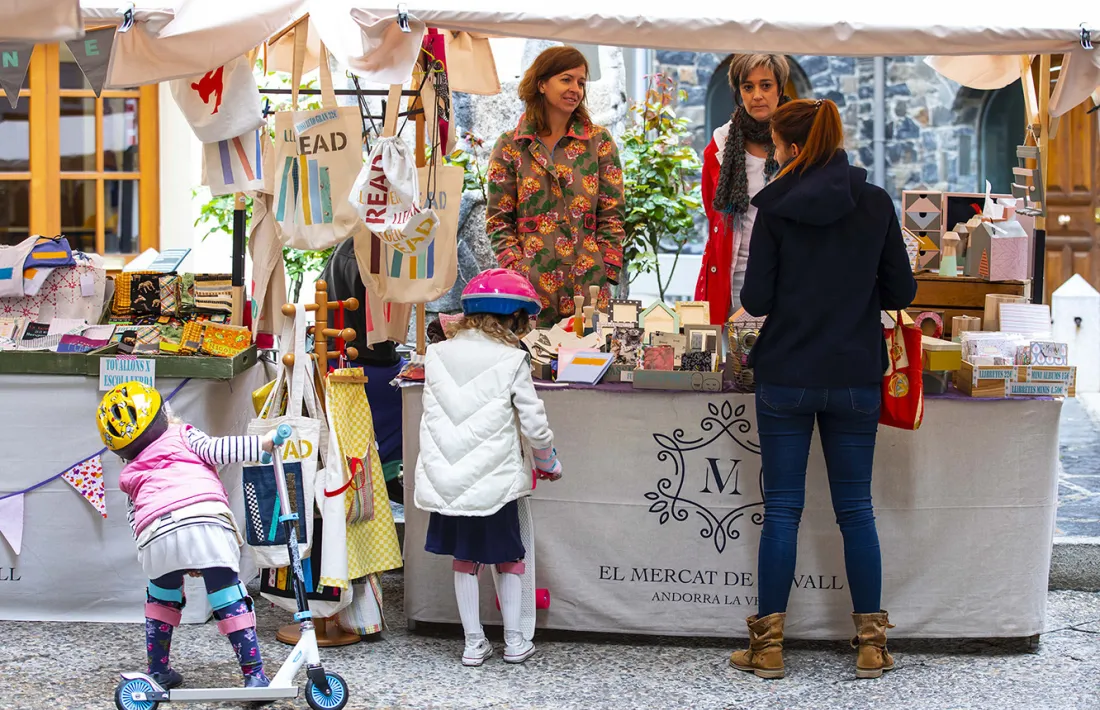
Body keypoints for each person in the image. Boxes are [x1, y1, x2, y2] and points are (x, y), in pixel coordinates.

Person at [731, 99, 917, 679]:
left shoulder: (775, 209)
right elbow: (900, 292)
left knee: (782, 510)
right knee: (856, 510)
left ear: (787, 148)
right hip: (855, 374)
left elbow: (756, 301)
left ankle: (767, 651)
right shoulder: (876, 202)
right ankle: (871, 645)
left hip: (787, 373)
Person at [414, 268, 563, 666]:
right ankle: (514, 641)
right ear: (513, 317)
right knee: (508, 558)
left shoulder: (438, 353)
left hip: (449, 476)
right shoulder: (512, 359)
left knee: (464, 557)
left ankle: (472, 643)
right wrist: (549, 461)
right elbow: (534, 424)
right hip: (494, 478)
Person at [96, 381, 278, 690]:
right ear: (162, 415)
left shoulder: (130, 473)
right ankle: (254, 675)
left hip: (156, 534)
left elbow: (135, 516)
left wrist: (167, 552)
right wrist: (262, 444)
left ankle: (158, 670)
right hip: (205, 521)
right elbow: (218, 450)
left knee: (161, 598)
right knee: (227, 595)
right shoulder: (184, 435)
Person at [486, 46, 626, 328]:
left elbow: (613, 213)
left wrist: (606, 269)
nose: (575, 88)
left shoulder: (599, 142)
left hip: (589, 286)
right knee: (531, 366)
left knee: (588, 365)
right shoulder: (510, 146)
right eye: (566, 79)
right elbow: (498, 220)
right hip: (530, 289)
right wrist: (516, 270)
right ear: (541, 84)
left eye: (581, 82)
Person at [696, 54, 791, 324]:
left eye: (766, 85)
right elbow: (712, 211)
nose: (757, 95)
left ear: (780, 89)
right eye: (748, 87)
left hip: (791, 274)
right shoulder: (721, 145)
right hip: (736, 276)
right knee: (738, 364)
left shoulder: (801, 140)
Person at [322, 238, 406, 502]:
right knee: (409, 394)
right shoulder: (372, 252)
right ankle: (386, 473)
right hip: (364, 359)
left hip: (345, 354)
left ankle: (386, 473)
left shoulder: (349, 246)